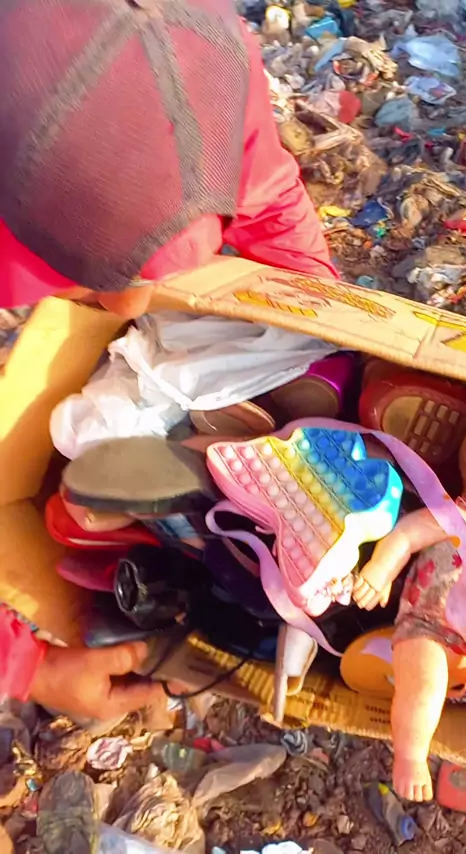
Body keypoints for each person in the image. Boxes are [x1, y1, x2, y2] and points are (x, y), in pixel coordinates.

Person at [0, 0, 337, 721]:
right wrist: (25, 665)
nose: (129, 308)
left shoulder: (202, 51)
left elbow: (268, 191)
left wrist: (322, 324)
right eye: (86, 282)